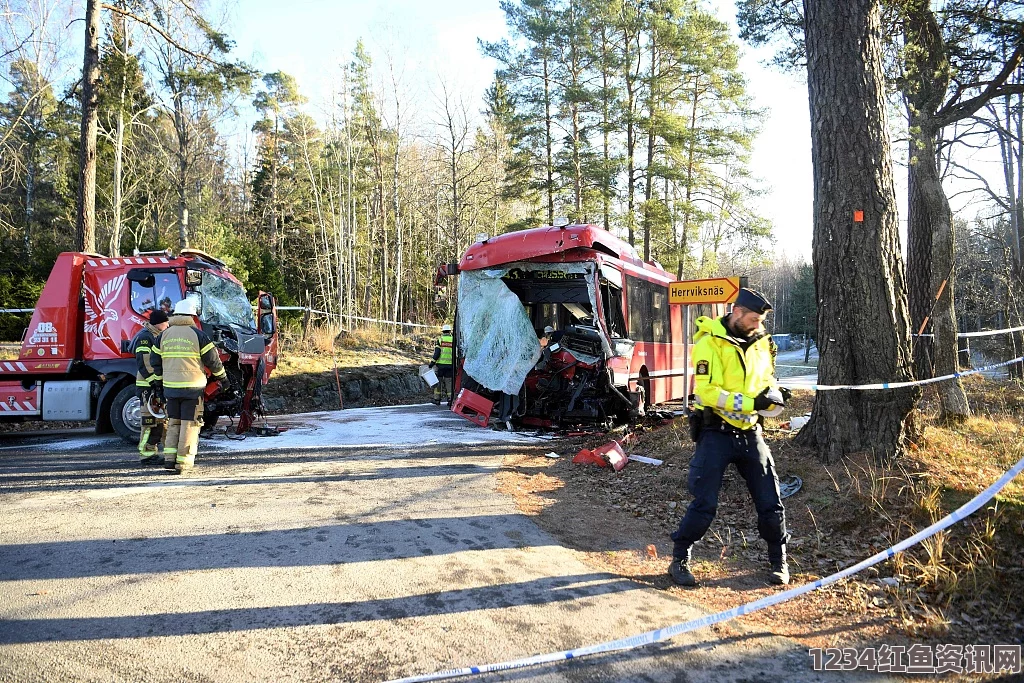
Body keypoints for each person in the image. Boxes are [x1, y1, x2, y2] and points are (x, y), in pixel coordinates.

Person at [668, 288, 793, 587]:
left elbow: (766, 379)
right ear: (736, 312)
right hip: (716, 433)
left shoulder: (761, 342)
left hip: (751, 432)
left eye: (760, 320)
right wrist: (753, 404)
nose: (757, 324)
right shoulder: (709, 342)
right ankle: (679, 558)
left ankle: (779, 562)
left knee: (771, 501)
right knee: (704, 503)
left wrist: (774, 395)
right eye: (752, 318)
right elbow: (708, 392)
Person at [149, 298, 227, 475]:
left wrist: (159, 386)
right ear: (192, 315)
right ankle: (183, 463)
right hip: (193, 388)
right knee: (189, 424)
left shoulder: (163, 335)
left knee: (174, 422)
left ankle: (169, 459)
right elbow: (213, 360)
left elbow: (155, 363)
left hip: (170, 388)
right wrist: (222, 378)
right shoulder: (197, 334)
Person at [132, 309, 170, 465]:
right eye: (166, 322)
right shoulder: (145, 338)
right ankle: (146, 455)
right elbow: (145, 364)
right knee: (149, 423)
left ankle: (168, 452)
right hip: (148, 387)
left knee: (162, 422)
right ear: (159, 323)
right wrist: (156, 383)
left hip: (155, 386)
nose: (168, 325)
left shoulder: (155, 335)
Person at [428, 323, 454, 405]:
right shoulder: (453, 340)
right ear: (450, 331)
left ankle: (437, 399)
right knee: (449, 382)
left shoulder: (440, 340)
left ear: (443, 331)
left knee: (438, 382)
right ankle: (450, 400)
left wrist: (432, 363)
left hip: (440, 366)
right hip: (450, 365)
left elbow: (437, 353)